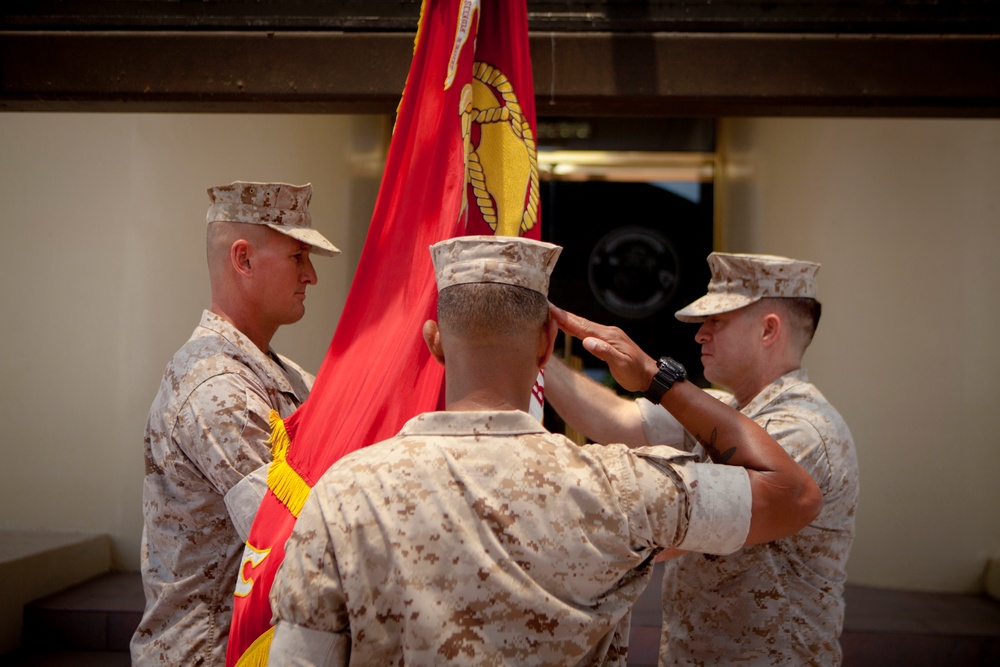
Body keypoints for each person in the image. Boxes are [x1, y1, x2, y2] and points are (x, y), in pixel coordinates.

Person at [265, 236, 822, 666]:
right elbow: (792, 493)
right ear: (548, 345)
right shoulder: (621, 487)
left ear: (435, 343)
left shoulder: (344, 490)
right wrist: (655, 376)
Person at [545, 251, 859, 665]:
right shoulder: (735, 411)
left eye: (717, 321)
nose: (700, 335)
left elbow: (669, 535)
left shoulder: (799, 431)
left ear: (768, 330)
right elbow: (621, 421)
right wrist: (531, 355)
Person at [131, 181, 341, 666]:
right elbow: (294, 540)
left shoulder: (273, 372)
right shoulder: (215, 385)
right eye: (297, 257)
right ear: (243, 260)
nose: (311, 275)